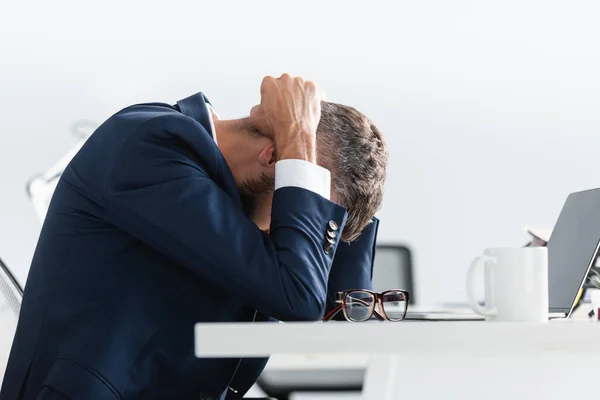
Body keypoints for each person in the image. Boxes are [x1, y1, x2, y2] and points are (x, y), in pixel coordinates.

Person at [1, 74, 388, 400]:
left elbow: (343, 313)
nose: (290, 233)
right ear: (274, 158)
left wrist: (344, 190)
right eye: (297, 203)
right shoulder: (153, 144)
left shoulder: (232, 199)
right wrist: (298, 142)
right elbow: (300, 298)